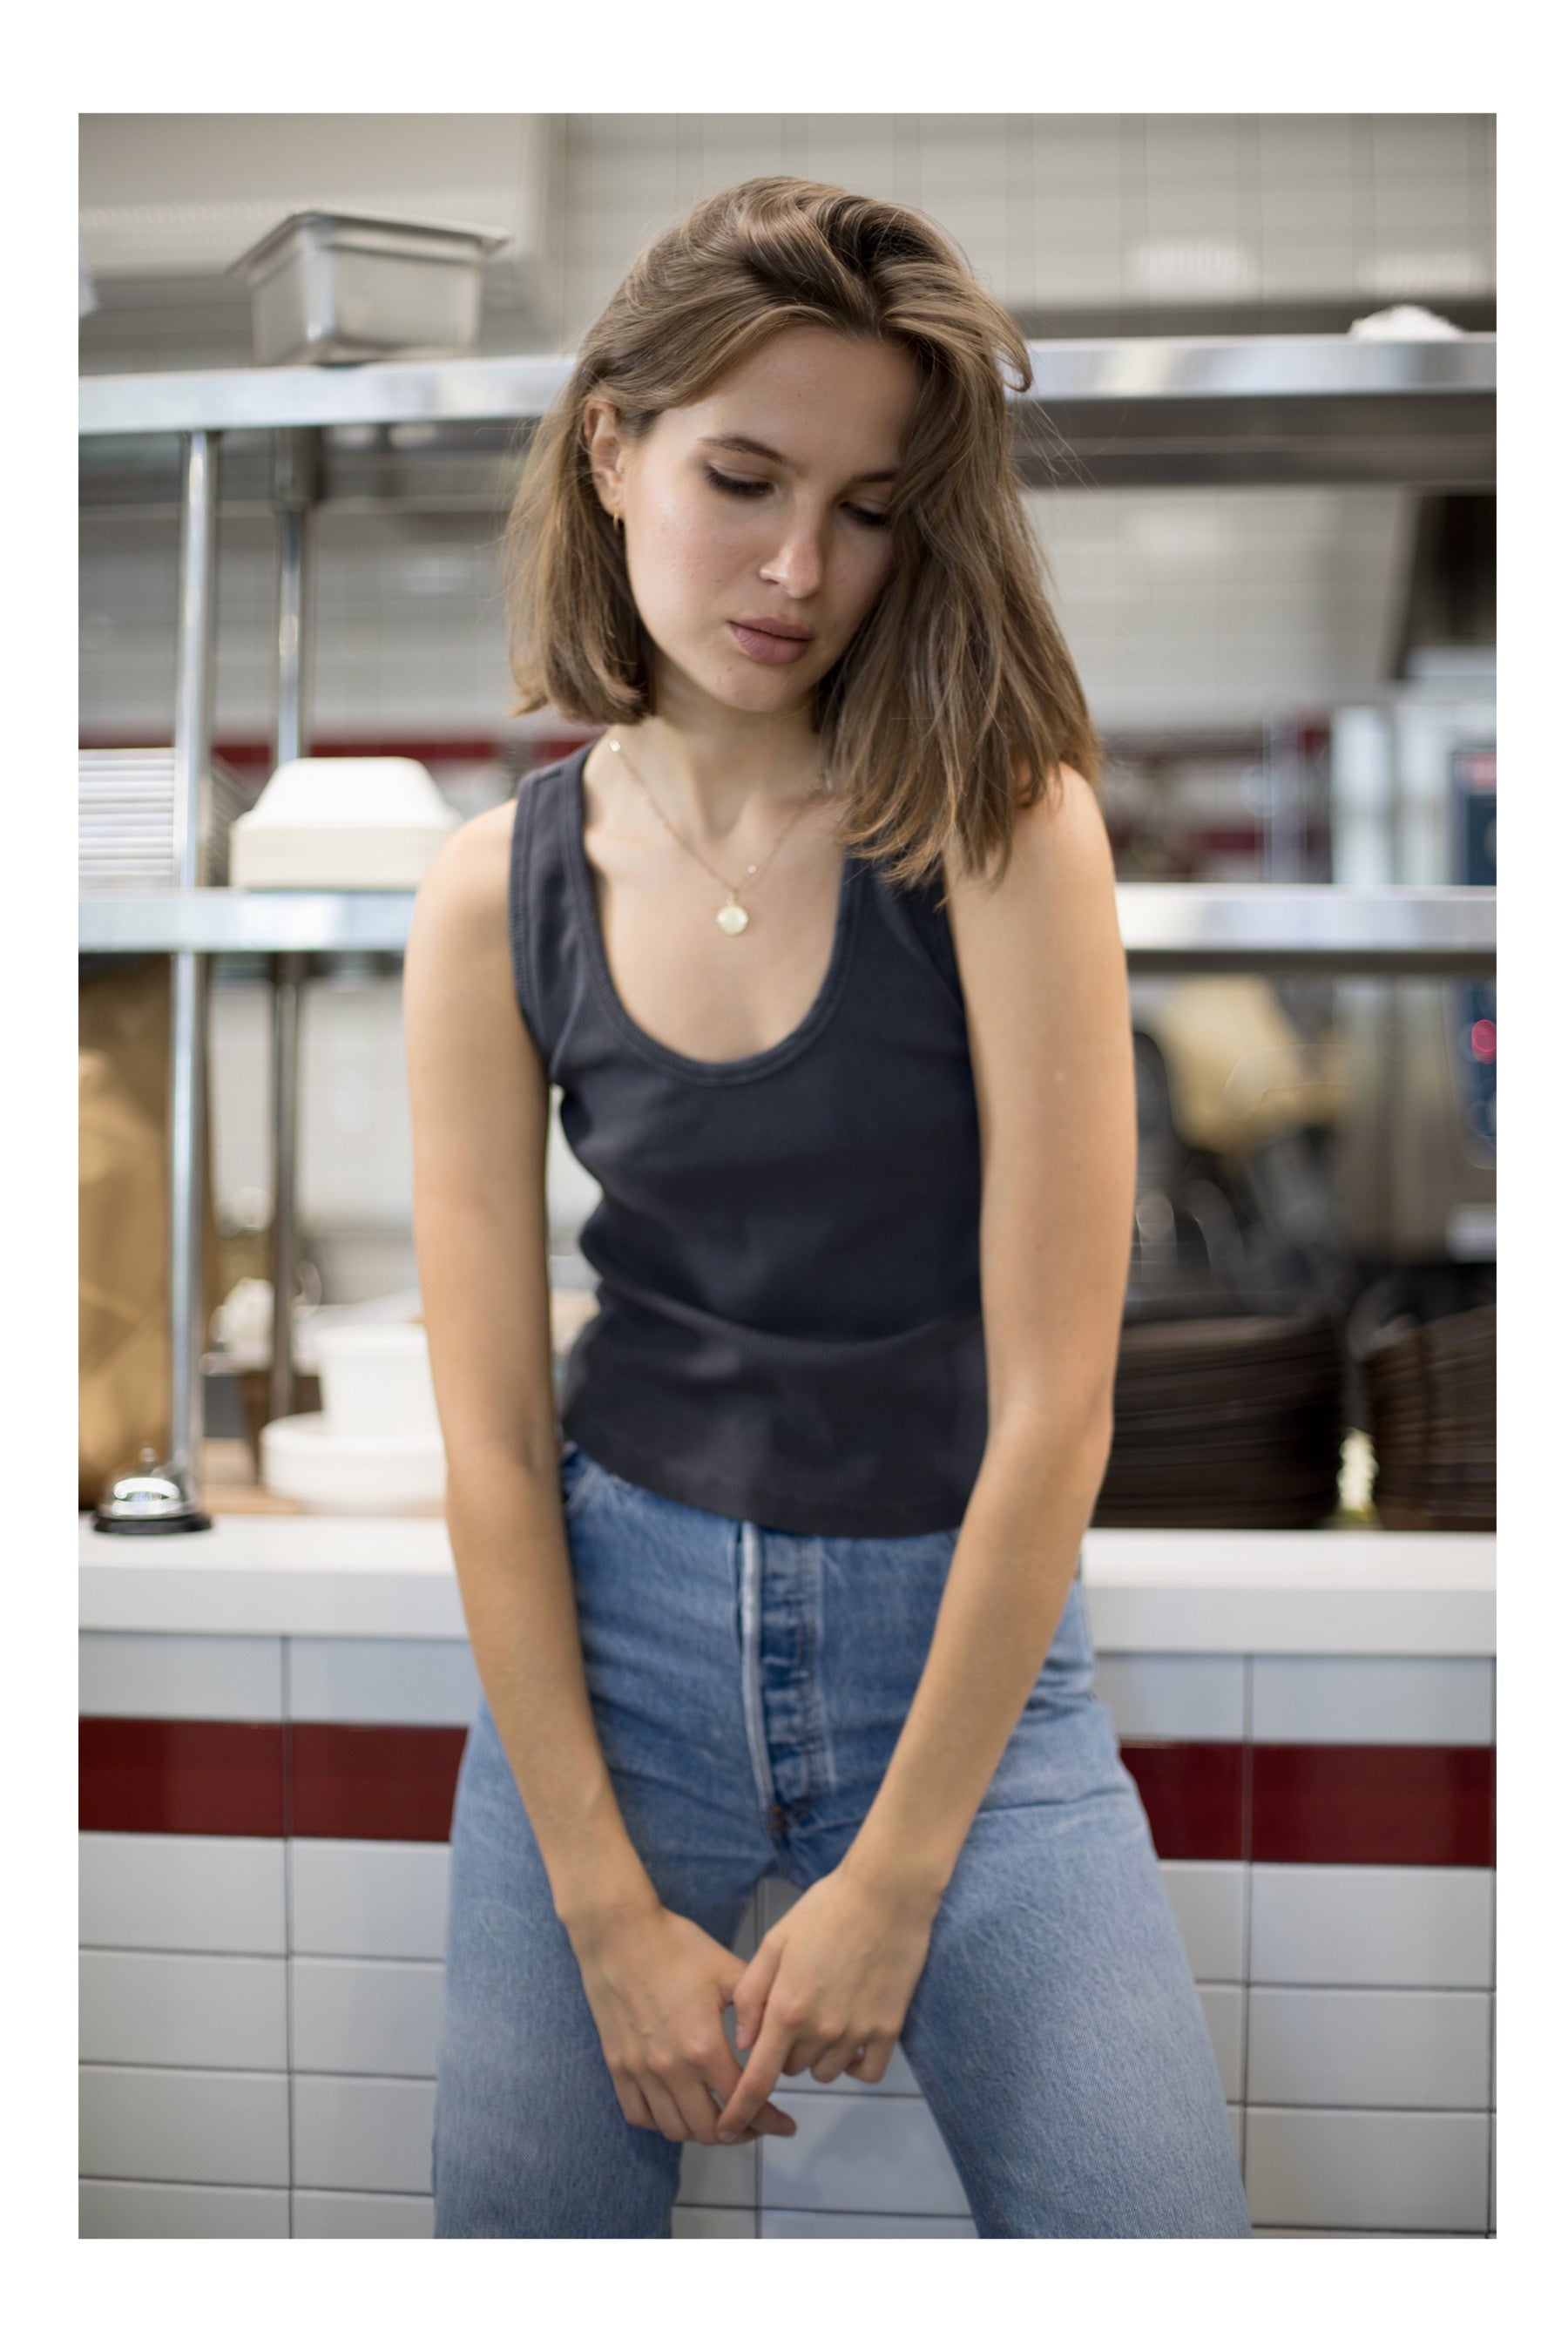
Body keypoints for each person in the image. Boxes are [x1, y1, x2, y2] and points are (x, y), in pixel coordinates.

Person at [404, 175, 1252, 2240]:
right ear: (612, 447)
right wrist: (600, 1903)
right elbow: (498, 1448)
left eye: (868, 506)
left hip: (952, 1662)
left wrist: (899, 1870)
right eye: (745, 477)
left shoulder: (998, 822)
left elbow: (1058, 1405)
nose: (801, 567)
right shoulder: (487, 899)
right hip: (613, 1661)